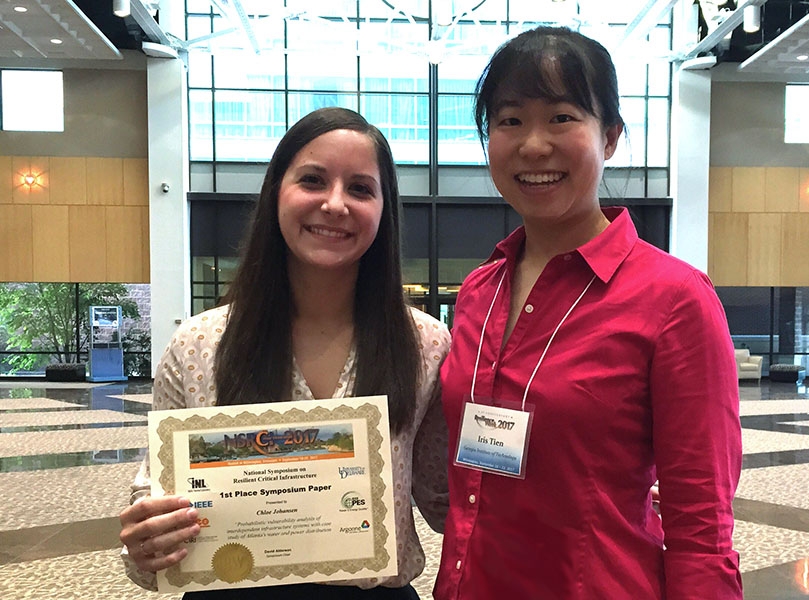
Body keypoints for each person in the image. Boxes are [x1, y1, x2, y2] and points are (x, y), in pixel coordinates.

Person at [435, 27, 742, 599]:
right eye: (509, 121)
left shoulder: (674, 300)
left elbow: (702, 528)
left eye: (561, 117)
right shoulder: (481, 289)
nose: (532, 145)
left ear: (611, 138)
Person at [118, 107, 451, 599]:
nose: (335, 204)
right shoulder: (199, 343)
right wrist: (148, 540)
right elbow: (155, 495)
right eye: (313, 180)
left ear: (385, 209)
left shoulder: (425, 344)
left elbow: (443, 497)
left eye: (360, 188)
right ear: (276, 191)